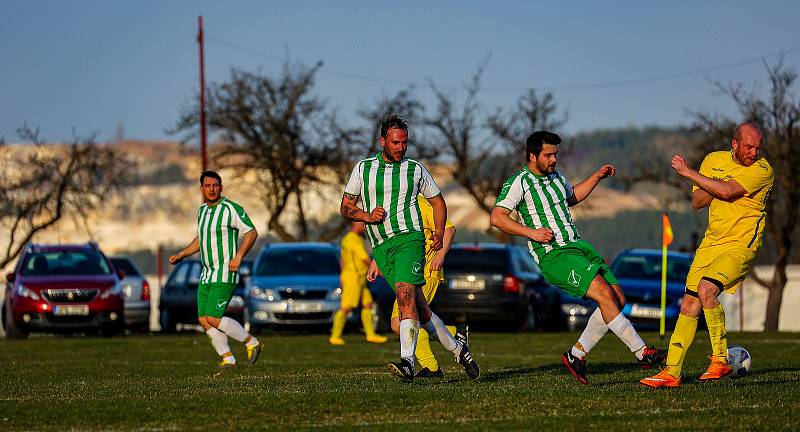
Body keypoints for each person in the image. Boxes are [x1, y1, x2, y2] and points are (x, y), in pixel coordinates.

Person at [490, 131, 665, 385]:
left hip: (577, 246)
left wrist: (596, 177)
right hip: (554, 254)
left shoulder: (556, 177)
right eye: (548, 155)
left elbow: (571, 197)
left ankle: (576, 355)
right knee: (605, 295)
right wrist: (532, 233)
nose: (553, 160)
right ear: (532, 156)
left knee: (617, 298)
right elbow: (497, 217)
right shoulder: (519, 182)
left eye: (555, 155)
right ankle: (642, 352)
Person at [340, 114, 479, 382]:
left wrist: (438, 233)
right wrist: (367, 217)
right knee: (421, 310)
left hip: (410, 241)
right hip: (381, 246)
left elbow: (438, 202)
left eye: (404, 142)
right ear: (382, 141)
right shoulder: (363, 169)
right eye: (395, 142)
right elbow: (345, 207)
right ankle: (459, 350)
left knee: (405, 297)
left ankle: (408, 364)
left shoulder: (415, 169)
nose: (400, 147)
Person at [641, 123, 773, 388]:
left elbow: (726, 192)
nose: (754, 152)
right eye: (749, 146)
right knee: (689, 304)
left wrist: (689, 173)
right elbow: (698, 201)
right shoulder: (714, 160)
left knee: (706, 289)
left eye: (758, 147)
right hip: (711, 243)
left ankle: (720, 359)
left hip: (741, 245)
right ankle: (672, 372)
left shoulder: (763, 170)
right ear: (734, 144)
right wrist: (713, 181)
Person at [169, 170, 262, 369]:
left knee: (213, 317)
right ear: (201, 188)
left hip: (225, 273)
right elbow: (201, 239)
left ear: (221, 187)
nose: (212, 189)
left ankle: (251, 342)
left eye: (215, 185)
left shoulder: (231, 209)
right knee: (203, 319)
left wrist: (238, 257)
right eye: (207, 186)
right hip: (207, 274)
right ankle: (228, 357)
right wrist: (182, 254)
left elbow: (251, 232)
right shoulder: (202, 211)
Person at [367, 195, 465, 378]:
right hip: (408, 272)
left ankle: (427, 363)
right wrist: (377, 260)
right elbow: (391, 239)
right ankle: (449, 340)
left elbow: (449, 229)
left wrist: (440, 256)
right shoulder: (392, 204)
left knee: (399, 322)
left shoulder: (419, 203)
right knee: (412, 320)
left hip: (426, 272)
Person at [329, 221, 389, 345]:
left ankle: (371, 335)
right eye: (362, 224)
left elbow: (342, 260)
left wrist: (342, 275)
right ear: (354, 225)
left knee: (367, 304)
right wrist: (379, 269)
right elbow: (364, 258)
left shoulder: (347, 239)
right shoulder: (353, 239)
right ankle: (335, 336)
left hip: (357, 278)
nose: (364, 227)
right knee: (346, 307)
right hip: (353, 279)